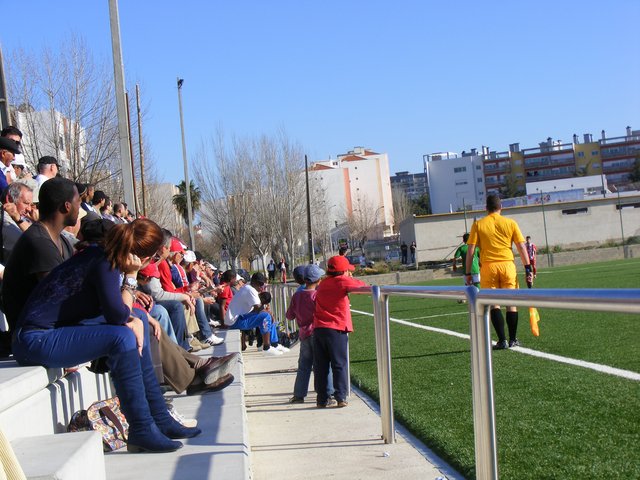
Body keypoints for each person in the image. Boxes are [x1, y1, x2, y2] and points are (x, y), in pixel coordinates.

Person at [12, 218, 201, 453]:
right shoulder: (105, 262)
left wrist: (136, 317)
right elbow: (117, 315)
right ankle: (141, 428)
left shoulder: (104, 255)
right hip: (34, 339)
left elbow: (119, 311)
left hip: (50, 332)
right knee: (122, 337)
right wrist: (131, 276)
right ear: (144, 258)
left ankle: (160, 418)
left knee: (140, 320)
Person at [2, 178, 79, 338]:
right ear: (67, 206)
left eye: (32, 204)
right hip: (34, 334)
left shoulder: (59, 239)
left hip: (50, 327)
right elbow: (60, 298)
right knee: (119, 336)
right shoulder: (37, 241)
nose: (29, 208)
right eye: (78, 202)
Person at [465, 194, 532, 350]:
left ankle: (502, 340)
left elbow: (471, 251)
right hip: (508, 265)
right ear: (501, 207)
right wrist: (528, 268)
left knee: (494, 304)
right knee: (511, 303)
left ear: (486, 208)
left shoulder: (478, 224)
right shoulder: (511, 223)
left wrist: (468, 273)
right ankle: (513, 339)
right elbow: (521, 247)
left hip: (488, 267)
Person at [313, 255, 367, 408]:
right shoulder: (342, 281)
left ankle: (321, 399)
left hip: (319, 329)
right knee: (339, 364)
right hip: (336, 329)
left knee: (321, 366)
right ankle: (341, 396)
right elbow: (361, 286)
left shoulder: (323, 283)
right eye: (348, 271)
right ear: (343, 271)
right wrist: (349, 277)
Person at [286, 264, 334, 404]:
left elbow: (289, 315)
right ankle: (328, 393)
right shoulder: (317, 296)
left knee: (303, 365)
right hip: (317, 332)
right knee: (324, 365)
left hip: (304, 334)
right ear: (318, 280)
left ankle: (299, 394)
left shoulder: (297, 296)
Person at [225, 272, 284, 356]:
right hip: (235, 322)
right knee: (266, 316)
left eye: (262, 284)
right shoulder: (250, 290)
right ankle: (267, 348)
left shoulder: (248, 288)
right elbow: (257, 309)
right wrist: (269, 313)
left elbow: (255, 310)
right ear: (254, 282)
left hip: (237, 319)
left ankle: (274, 344)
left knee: (267, 315)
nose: (261, 286)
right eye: (260, 284)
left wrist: (268, 312)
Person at [1, 182, 36, 261]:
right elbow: (38, 242)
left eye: (31, 205)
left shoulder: (24, 217)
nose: (29, 209)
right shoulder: (5, 223)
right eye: (26, 203)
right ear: (10, 199)